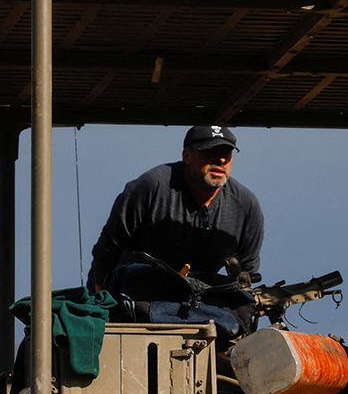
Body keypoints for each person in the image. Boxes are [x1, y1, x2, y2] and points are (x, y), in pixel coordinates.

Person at [86, 124, 263, 294]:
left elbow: (246, 273)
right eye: (210, 151)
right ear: (187, 156)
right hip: (135, 295)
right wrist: (100, 301)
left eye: (226, 153)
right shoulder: (151, 187)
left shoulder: (246, 205)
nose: (221, 160)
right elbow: (108, 250)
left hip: (200, 301)